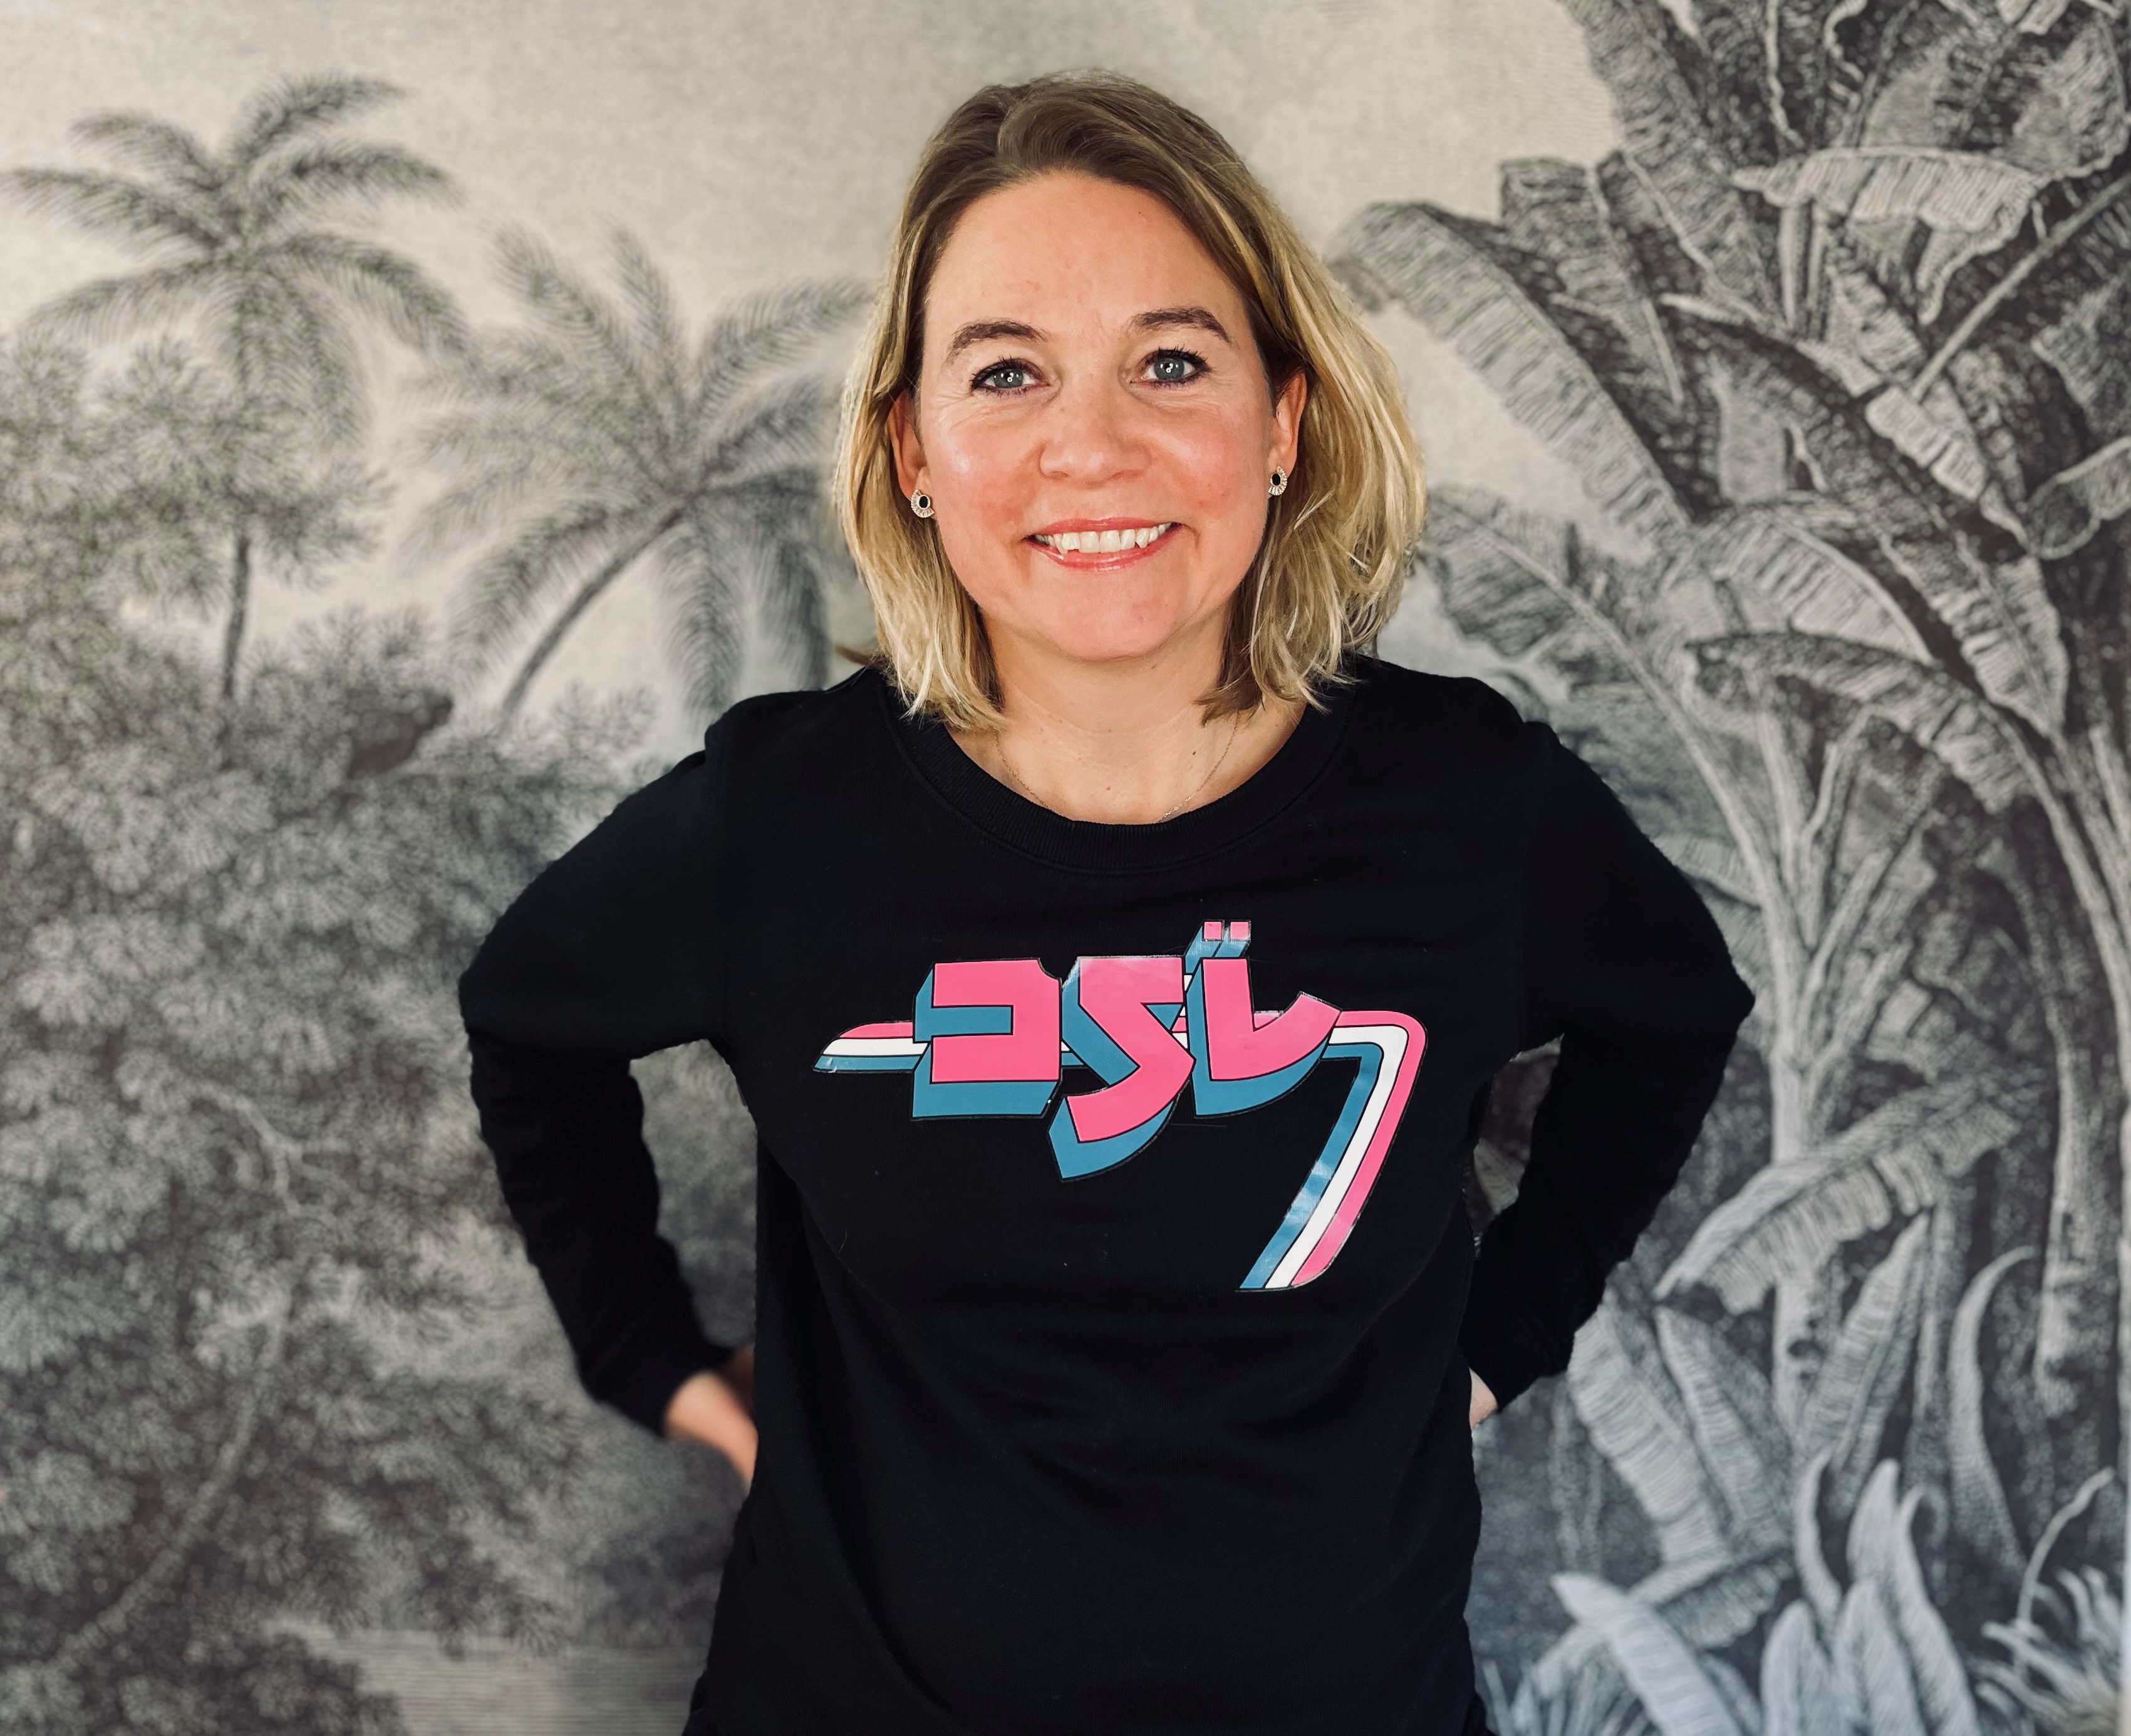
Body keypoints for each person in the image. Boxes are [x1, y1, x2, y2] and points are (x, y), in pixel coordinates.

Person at [457, 69, 1754, 1736]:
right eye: (1007, 372)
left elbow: (1672, 1021)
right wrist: (656, 1362)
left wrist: (1501, 1343)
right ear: (913, 453)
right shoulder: (778, 827)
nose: (1093, 446)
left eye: (1172, 362)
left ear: (1281, 425)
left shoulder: (1470, 809)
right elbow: (528, 1025)